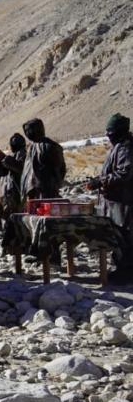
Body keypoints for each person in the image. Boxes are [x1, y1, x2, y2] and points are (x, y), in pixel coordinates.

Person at [88, 113, 133, 284]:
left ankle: (127, 272)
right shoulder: (120, 146)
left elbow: (124, 173)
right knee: (118, 234)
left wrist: (101, 181)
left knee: (125, 235)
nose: (108, 136)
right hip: (117, 200)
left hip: (123, 201)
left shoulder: (125, 148)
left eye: (111, 133)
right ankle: (122, 268)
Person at [21, 118, 66, 200]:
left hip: (46, 190)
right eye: (26, 131)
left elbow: (60, 168)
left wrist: (53, 183)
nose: (28, 133)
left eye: (29, 130)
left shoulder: (50, 146)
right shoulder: (31, 147)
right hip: (32, 190)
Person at [0, 133, 27, 226]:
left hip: (17, 194)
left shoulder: (23, 155)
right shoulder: (14, 156)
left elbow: (19, 167)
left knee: (15, 220)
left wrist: (4, 159)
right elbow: (0, 174)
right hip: (9, 195)